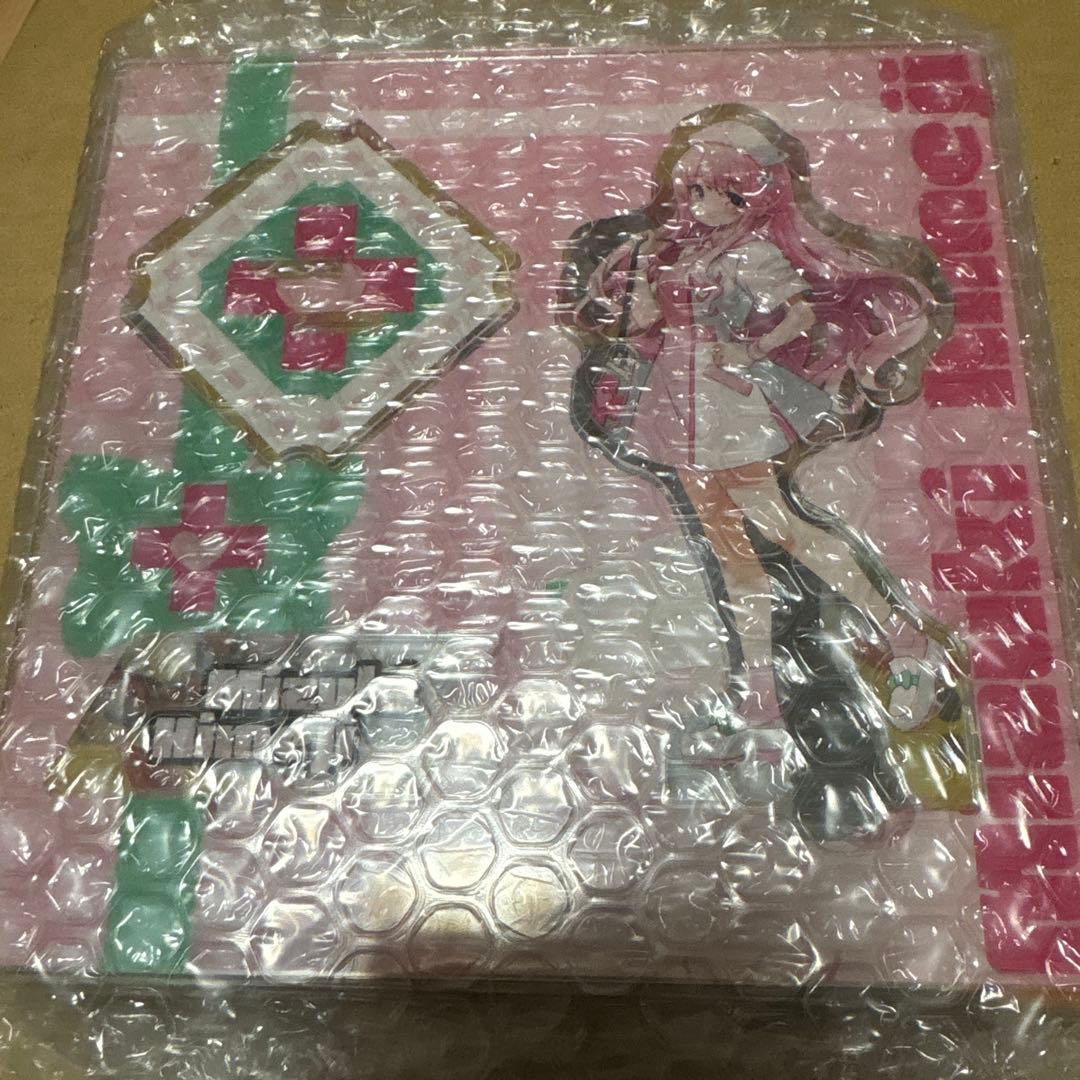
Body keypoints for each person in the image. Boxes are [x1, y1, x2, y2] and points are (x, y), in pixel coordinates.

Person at [572, 112, 954, 734]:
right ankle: (760, 694)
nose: (707, 203)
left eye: (725, 192)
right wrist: (635, 283)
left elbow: (800, 315)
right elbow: (643, 324)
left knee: (783, 525)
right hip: (675, 402)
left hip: (725, 403)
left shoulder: (751, 253)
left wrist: (751, 350)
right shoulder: (680, 253)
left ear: (753, 196)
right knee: (731, 556)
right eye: (697, 190)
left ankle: (907, 639)